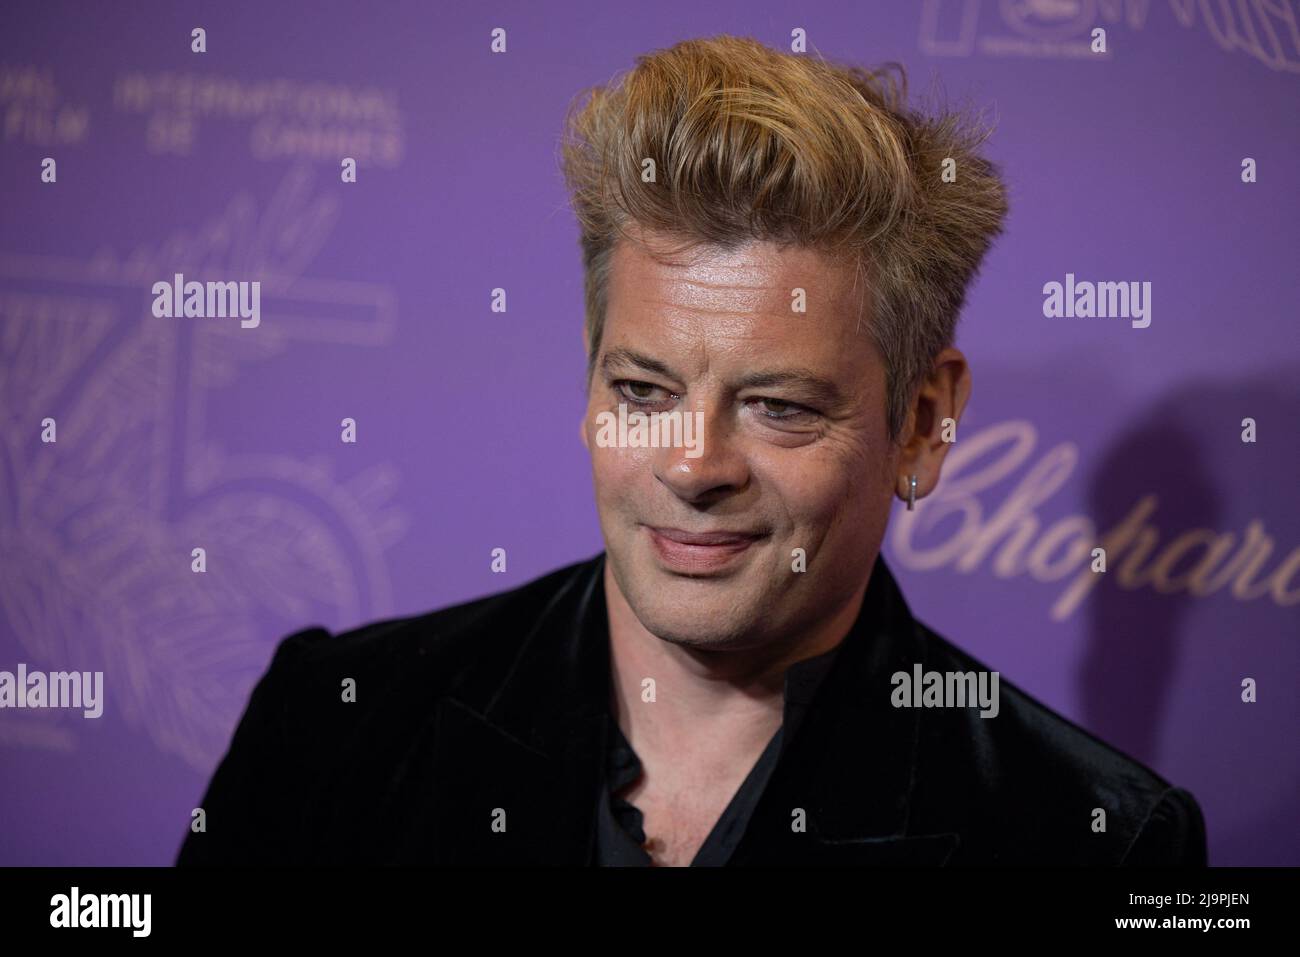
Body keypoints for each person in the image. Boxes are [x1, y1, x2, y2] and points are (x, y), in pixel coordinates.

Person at [177, 35, 1205, 867]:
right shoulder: (336, 722)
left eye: (780, 407)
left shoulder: (1092, 843)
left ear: (923, 426)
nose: (691, 464)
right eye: (642, 390)